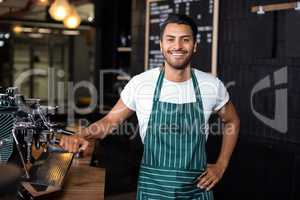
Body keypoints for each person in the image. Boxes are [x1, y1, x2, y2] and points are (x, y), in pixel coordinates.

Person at [60, 14, 240, 199]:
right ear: (161, 45)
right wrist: (81, 135)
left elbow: (231, 120)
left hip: (196, 190)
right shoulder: (141, 84)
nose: (177, 46)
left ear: (194, 45)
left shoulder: (211, 85)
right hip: (153, 189)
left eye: (185, 40)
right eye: (170, 39)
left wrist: (221, 165)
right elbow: (110, 121)